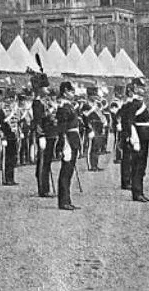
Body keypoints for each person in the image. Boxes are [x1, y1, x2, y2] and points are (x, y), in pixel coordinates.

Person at [126, 78, 149, 203]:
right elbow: (129, 122)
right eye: (141, 87)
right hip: (138, 135)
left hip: (144, 135)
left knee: (142, 165)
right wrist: (134, 139)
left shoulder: (140, 102)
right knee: (137, 165)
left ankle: (140, 191)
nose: (143, 89)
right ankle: (136, 192)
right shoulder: (134, 103)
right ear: (135, 87)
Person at [55, 81, 80, 211]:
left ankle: (67, 199)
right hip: (68, 140)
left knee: (69, 172)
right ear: (65, 92)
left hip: (73, 139)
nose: (73, 94)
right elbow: (62, 129)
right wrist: (65, 146)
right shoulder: (63, 108)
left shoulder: (69, 106)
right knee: (66, 171)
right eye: (70, 91)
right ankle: (63, 201)